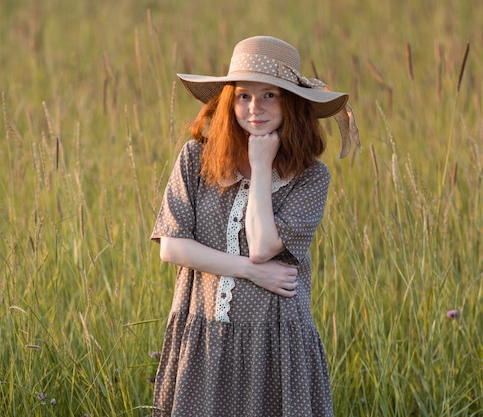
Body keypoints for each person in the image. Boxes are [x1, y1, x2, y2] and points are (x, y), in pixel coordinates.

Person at [150, 35, 359, 416]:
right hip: (205, 332)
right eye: (244, 95)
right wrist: (250, 271)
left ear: (290, 103)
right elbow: (172, 247)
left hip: (275, 341)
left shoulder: (311, 177)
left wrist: (261, 166)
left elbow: (263, 246)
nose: (254, 108)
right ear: (230, 101)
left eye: (269, 96)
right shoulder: (196, 158)